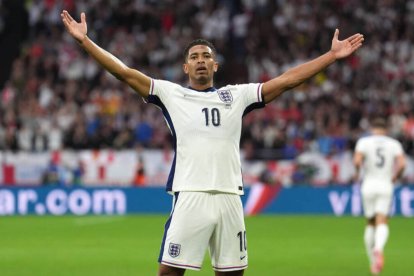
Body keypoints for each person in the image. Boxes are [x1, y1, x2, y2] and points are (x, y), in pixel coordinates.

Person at [61, 10, 364, 276]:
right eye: (194, 57)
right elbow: (124, 73)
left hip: (230, 195)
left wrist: (331, 57)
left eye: (206, 56)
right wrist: (85, 42)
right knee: (169, 272)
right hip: (190, 192)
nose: (201, 61)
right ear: (185, 68)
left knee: (232, 273)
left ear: (216, 65)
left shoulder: (237, 95)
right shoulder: (171, 94)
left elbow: (287, 80)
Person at [353, 118, 406, 275]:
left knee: (370, 223)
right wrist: (396, 176)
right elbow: (402, 164)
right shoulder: (393, 143)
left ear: (373, 129)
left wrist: (357, 173)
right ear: (385, 130)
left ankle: (372, 261)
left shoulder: (364, 142)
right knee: (382, 220)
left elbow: (357, 161)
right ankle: (379, 248)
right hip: (385, 185)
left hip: (368, 185)